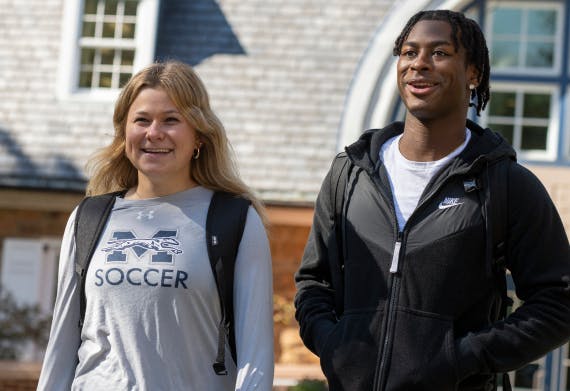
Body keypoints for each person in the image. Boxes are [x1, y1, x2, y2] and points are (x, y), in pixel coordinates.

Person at [294, 9, 570, 391]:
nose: (419, 64)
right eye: (409, 52)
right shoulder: (350, 174)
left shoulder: (507, 185)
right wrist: (333, 346)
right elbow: (314, 284)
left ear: (473, 73)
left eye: (439, 52)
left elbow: (558, 303)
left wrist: (462, 358)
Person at [37, 61, 274, 390]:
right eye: (142, 120)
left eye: (171, 120)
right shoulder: (88, 219)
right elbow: (61, 349)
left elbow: (255, 359)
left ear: (199, 137)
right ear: (125, 134)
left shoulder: (233, 221)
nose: (154, 133)